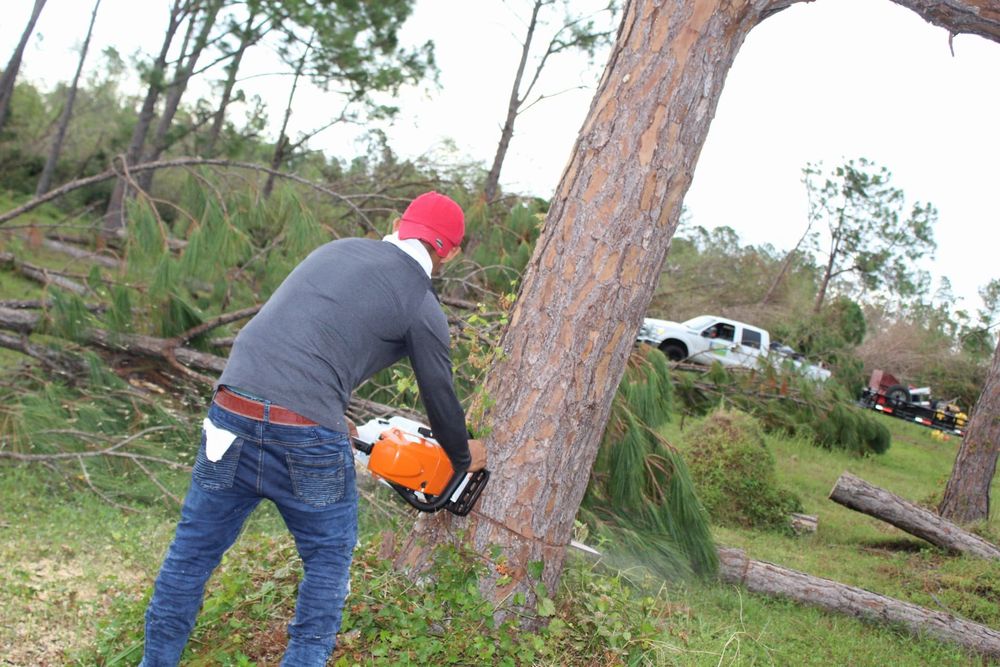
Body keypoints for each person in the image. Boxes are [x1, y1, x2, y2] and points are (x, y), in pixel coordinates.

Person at [140, 191, 487, 666]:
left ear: (400, 224)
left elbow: (298, 334)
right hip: (303, 439)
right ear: (450, 251)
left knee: (191, 554)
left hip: (231, 412)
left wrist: (325, 410)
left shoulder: (336, 250)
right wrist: (463, 457)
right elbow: (439, 395)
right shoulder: (420, 303)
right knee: (327, 563)